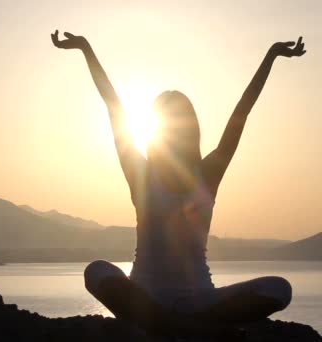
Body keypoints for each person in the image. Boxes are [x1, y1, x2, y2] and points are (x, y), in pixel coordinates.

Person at [51, 30, 306, 332]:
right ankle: (188, 326)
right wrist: (86, 49)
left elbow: (242, 112)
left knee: (279, 289)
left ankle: (171, 325)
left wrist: (272, 56)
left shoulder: (208, 173)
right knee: (96, 272)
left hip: (199, 298)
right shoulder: (140, 174)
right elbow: (114, 108)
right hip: (144, 294)